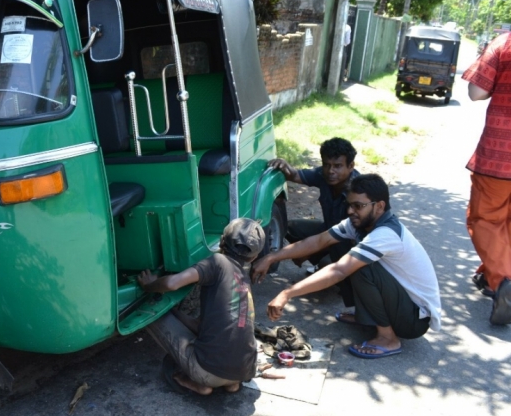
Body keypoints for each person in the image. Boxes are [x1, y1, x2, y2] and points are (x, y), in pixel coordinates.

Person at [251, 174, 441, 359]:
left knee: (359, 267)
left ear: (380, 206)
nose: (350, 211)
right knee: (351, 256)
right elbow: (319, 241)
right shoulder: (359, 223)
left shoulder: (386, 234)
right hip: (401, 303)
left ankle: (388, 338)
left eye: (358, 206)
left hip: (414, 320)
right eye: (349, 205)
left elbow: (339, 271)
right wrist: (272, 257)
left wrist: (287, 293)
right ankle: (365, 316)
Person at [138, 218, 264, 395]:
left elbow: (173, 283)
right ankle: (230, 384)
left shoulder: (218, 262)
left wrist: (149, 285)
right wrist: (174, 312)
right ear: (255, 256)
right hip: (244, 371)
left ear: (221, 241)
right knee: (225, 352)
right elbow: (204, 326)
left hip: (207, 372)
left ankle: (199, 385)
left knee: (148, 310)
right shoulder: (243, 279)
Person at [268, 137, 360, 304]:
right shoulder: (323, 175)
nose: (331, 171)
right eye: (327, 164)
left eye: (338, 166)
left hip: (349, 243)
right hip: (328, 232)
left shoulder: (360, 191)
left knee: (331, 262)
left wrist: (305, 253)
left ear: (351, 166)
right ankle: (324, 267)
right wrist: (283, 165)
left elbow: (358, 240)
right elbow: (295, 175)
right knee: (288, 227)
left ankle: (349, 290)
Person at [461, 32, 511, 325]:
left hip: (499, 156)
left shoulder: (504, 43)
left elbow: (476, 92)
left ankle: (503, 282)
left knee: (486, 220)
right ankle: (492, 274)